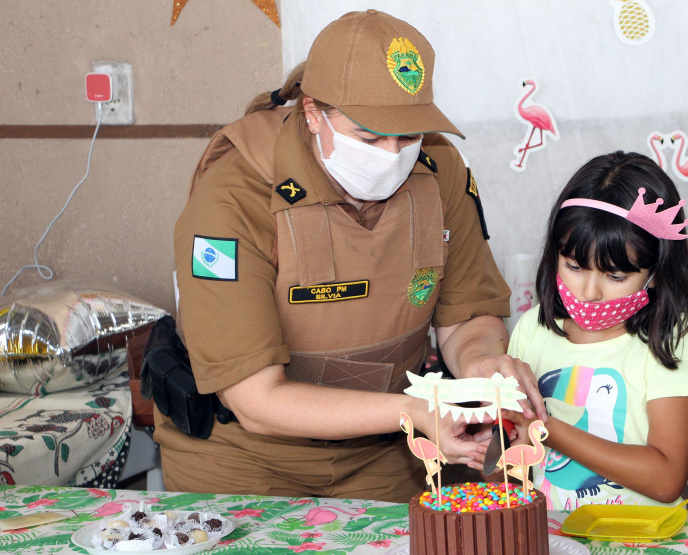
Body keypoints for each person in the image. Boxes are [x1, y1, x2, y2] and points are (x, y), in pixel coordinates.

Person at [154, 9, 545, 502]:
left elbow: (466, 316)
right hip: (243, 458)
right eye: (370, 136)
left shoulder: (439, 171)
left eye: (407, 135)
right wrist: (417, 411)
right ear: (313, 112)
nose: (392, 153)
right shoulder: (236, 195)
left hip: (384, 454)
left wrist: (480, 362)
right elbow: (256, 401)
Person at [486, 151, 688, 510]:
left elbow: (666, 479)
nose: (589, 292)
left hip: (637, 539)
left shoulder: (672, 339)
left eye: (615, 276)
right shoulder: (533, 329)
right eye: (574, 266)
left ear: (657, 271)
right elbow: (510, 466)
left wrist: (546, 428)